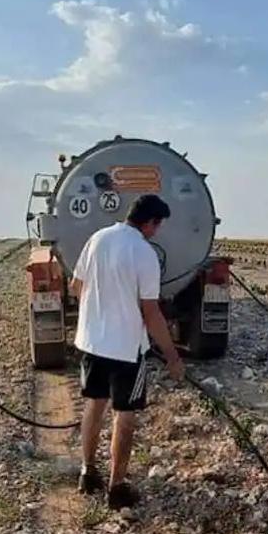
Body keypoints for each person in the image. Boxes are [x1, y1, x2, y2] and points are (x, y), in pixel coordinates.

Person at [70, 194, 185, 509]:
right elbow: (151, 313)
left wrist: (100, 311)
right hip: (126, 351)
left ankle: (87, 472)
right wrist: (173, 358)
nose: (156, 232)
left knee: (94, 406)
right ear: (150, 222)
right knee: (125, 415)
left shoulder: (97, 238)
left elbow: (75, 286)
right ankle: (116, 487)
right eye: (157, 226)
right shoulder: (144, 253)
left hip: (92, 343)